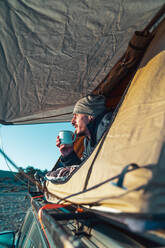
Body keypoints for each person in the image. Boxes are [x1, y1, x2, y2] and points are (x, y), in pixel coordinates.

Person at [46, 94, 113, 182]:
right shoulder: (88, 140)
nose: (72, 122)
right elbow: (83, 171)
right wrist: (69, 154)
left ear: (90, 115)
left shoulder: (108, 126)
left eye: (76, 116)